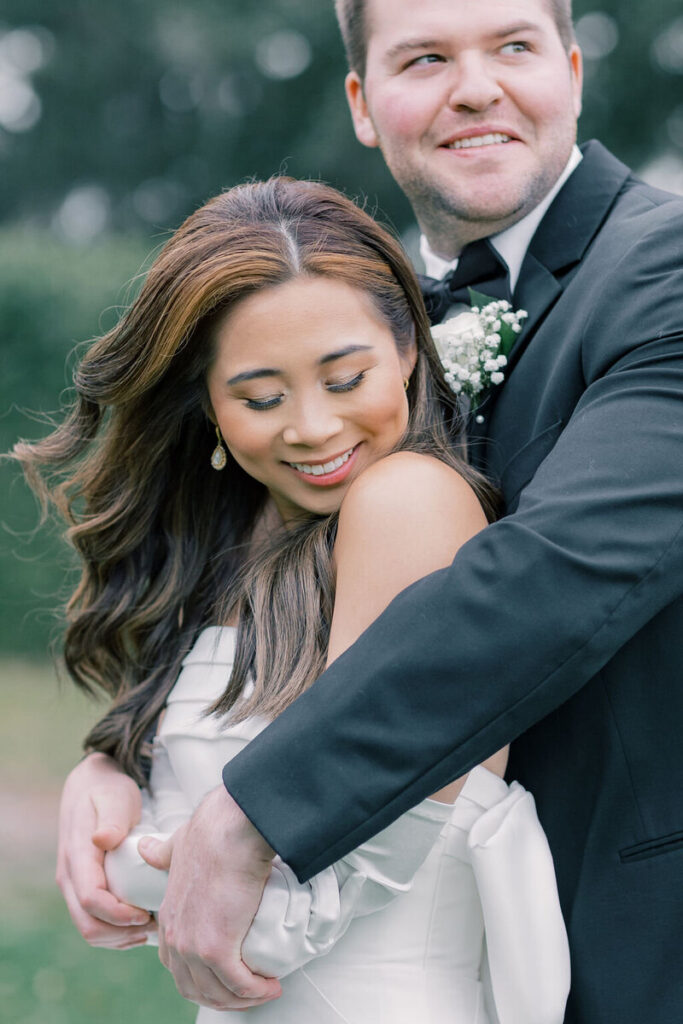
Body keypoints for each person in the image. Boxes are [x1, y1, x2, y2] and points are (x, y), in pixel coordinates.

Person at [53, 1, 683, 1021]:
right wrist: (120, 752)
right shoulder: (352, 317)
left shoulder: (663, 268)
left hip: (630, 933)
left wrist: (258, 809)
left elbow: (560, 570)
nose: (472, 85)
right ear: (360, 100)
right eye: (423, 56)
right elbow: (260, 584)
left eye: (511, 46)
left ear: (570, 66)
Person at [14, 178, 570, 1023]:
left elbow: (300, 911)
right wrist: (110, 773)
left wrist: (127, 867)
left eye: (346, 378)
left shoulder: (409, 507)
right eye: (262, 398)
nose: (310, 428)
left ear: (409, 353)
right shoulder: (240, 537)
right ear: (205, 401)